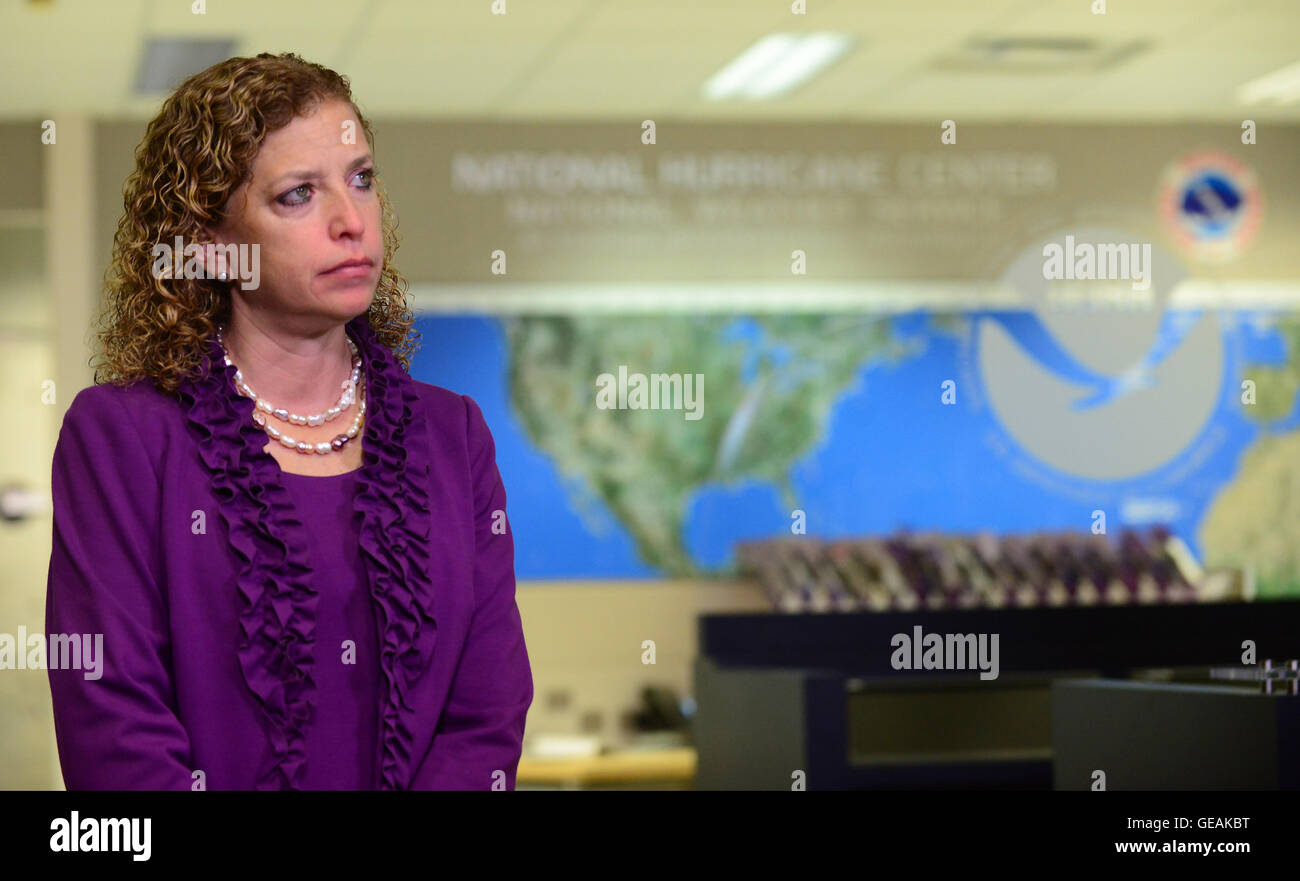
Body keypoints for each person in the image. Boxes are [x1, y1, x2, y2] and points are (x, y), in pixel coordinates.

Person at [45, 52, 533, 790]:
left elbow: (487, 712)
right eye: (298, 194)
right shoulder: (124, 437)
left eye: (361, 179)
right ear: (212, 245)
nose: (350, 221)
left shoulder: (453, 434)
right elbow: (112, 729)